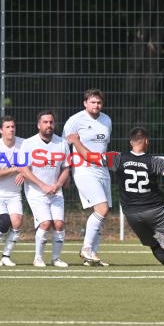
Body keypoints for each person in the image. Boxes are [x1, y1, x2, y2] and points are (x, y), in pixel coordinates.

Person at [72, 127, 164, 282]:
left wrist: (76, 140)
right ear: (147, 141)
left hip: (132, 215)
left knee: (155, 245)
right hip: (156, 210)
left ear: (131, 142)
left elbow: (88, 156)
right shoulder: (153, 161)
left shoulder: (118, 158)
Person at [63, 88, 112, 266]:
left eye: (99, 102)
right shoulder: (75, 120)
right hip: (83, 169)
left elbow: (104, 146)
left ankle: (92, 255)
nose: (96, 105)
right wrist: (66, 170)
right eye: (93, 102)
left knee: (101, 214)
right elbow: (63, 147)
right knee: (102, 208)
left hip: (102, 170)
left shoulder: (107, 120)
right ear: (85, 103)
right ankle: (86, 249)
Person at [19, 110, 71, 267]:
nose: (49, 125)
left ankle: (56, 258)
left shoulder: (62, 143)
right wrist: (43, 185)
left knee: (59, 224)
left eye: (51, 122)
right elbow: (24, 170)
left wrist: (57, 185)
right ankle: (38, 257)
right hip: (36, 191)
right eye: (45, 122)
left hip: (56, 190)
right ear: (38, 125)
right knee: (46, 223)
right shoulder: (28, 143)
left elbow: (66, 169)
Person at [0, 115, 24, 267]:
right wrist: (15, 168)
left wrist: (23, 172)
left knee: (17, 222)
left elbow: (30, 165)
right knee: (4, 222)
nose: (11, 130)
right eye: (7, 127)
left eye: (13, 126)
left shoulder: (23, 144)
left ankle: (6, 256)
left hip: (14, 193)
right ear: (1, 130)